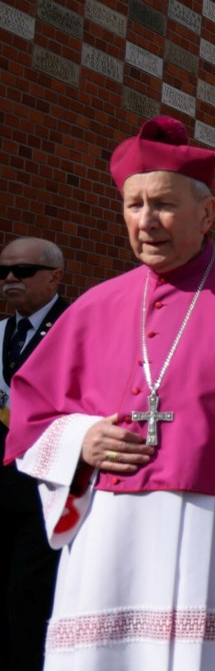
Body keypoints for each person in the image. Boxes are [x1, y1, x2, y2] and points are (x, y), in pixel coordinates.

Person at [5, 116, 215, 669]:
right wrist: (81, 439)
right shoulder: (94, 307)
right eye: (133, 205)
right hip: (111, 542)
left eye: (163, 205)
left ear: (207, 212)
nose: (146, 221)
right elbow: (32, 415)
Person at [0, 237, 69, 670]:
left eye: (22, 271)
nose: (10, 279)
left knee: (28, 593)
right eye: (3, 271)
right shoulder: (0, 332)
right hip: (3, 481)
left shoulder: (74, 326)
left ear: (54, 277)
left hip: (46, 484)